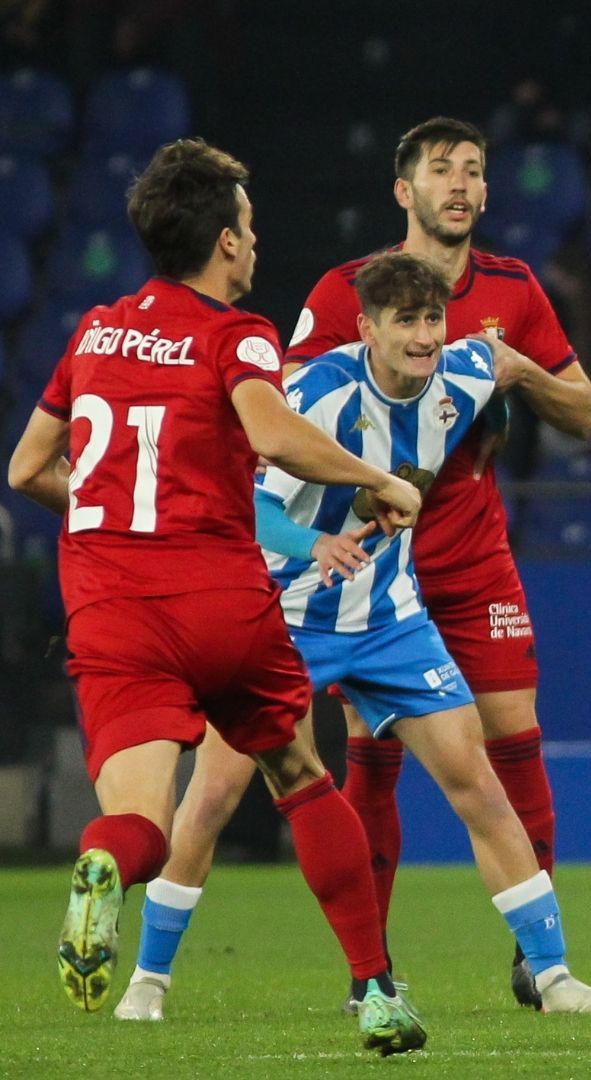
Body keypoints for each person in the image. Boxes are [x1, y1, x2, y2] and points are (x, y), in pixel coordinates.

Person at [117, 253, 591, 1021]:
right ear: (367, 329)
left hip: (389, 618)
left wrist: (498, 423)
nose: (425, 338)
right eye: (406, 323)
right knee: (216, 791)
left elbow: (509, 374)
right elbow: (246, 504)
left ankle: (552, 978)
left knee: (476, 783)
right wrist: (310, 543)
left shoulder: (467, 370)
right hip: (283, 615)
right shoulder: (317, 393)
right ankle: (147, 981)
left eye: (432, 320)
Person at [5, 138, 427, 1054]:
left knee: (141, 826)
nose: (255, 235)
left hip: (113, 609)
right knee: (301, 776)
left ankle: (102, 869)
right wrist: (380, 479)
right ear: (225, 243)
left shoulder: (95, 331)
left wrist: (117, 507)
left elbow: (28, 467)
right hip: (218, 600)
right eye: (247, 221)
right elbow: (272, 435)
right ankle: (377, 990)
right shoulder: (238, 333)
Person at [286, 116, 591, 1008]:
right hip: (373, 564)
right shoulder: (348, 289)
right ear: (404, 190)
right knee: (369, 755)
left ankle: (540, 965)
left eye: (473, 171)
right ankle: (371, 974)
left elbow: (582, 413)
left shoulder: (514, 287)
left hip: (469, 554)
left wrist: (518, 374)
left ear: (488, 192)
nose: (459, 185)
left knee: (514, 743)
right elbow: (284, 421)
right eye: (439, 171)